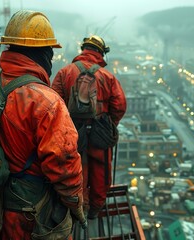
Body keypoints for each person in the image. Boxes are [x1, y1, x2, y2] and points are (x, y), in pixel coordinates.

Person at [0, 10, 85, 239]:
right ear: (42, 53)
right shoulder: (47, 102)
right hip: (32, 215)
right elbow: (63, 161)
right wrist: (75, 201)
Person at [52, 35, 127, 219]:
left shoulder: (65, 72)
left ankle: (76, 207)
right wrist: (108, 125)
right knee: (100, 171)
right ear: (101, 53)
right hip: (99, 134)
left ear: (83, 50)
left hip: (71, 133)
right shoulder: (107, 77)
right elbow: (120, 105)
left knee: (73, 168)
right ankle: (94, 209)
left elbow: (53, 103)